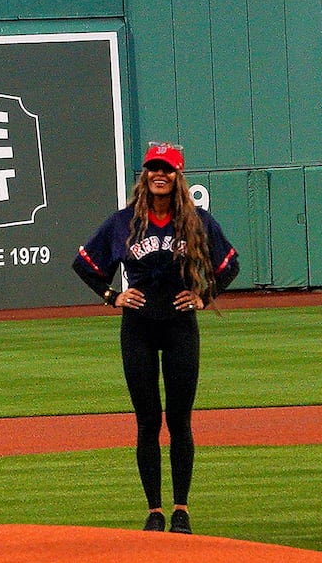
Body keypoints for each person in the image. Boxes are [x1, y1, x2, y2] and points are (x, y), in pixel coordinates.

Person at [72, 142, 239, 535]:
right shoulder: (123, 222)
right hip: (139, 327)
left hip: (180, 324)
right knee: (147, 421)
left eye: (167, 169)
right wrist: (113, 296)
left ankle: (181, 509)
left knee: (179, 420)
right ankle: (155, 510)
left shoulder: (197, 221)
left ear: (179, 177)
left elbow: (229, 264)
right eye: (153, 168)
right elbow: (85, 265)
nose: (159, 175)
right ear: (145, 175)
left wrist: (203, 296)